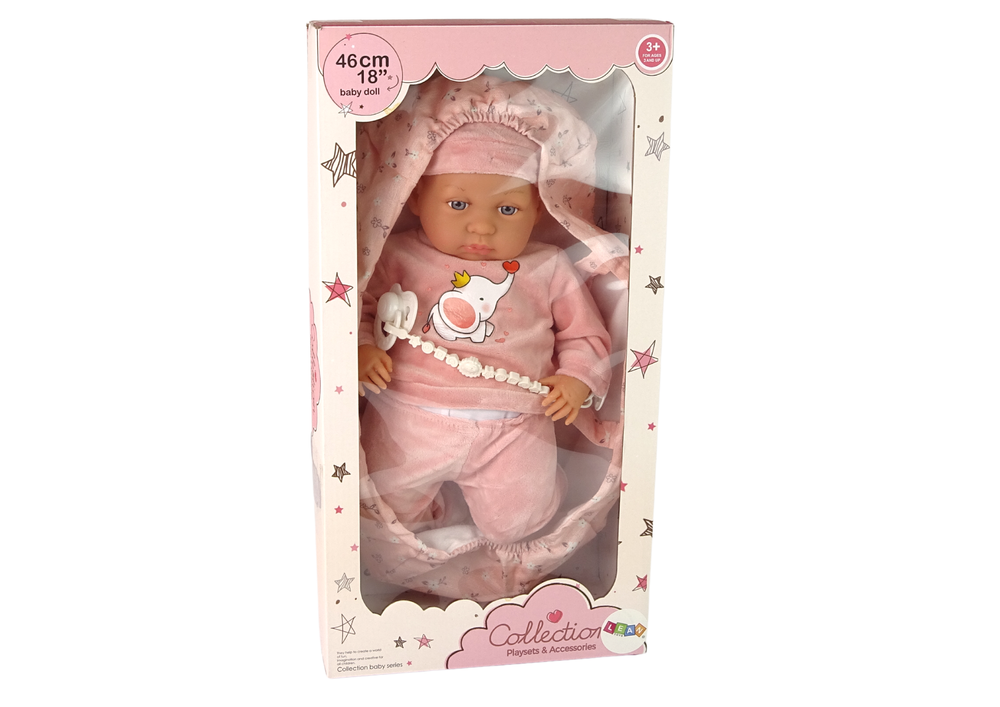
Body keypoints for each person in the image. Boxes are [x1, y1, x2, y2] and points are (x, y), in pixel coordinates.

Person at [357, 119, 612, 546]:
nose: (482, 226)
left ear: (537, 210)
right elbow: (360, 309)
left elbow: (584, 333)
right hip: (409, 415)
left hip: (516, 423)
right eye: (458, 204)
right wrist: (363, 349)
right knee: (386, 513)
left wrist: (577, 377)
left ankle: (500, 513)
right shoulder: (397, 255)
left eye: (507, 209)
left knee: (521, 523)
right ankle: (440, 524)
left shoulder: (548, 266)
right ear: (417, 198)